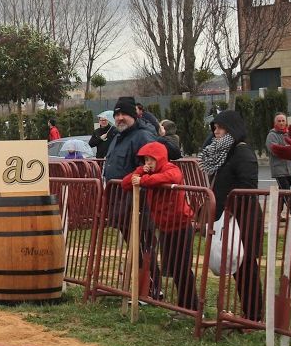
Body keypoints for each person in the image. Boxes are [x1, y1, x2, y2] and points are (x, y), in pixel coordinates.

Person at [199, 110, 263, 322]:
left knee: (246, 268)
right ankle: (249, 314)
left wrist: (230, 208)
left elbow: (248, 187)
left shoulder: (243, 153)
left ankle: (253, 316)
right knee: (237, 268)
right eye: (214, 128)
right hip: (228, 218)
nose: (215, 132)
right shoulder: (226, 151)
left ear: (232, 129)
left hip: (244, 217)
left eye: (219, 127)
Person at [122, 142, 197, 310]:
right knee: (173, 269)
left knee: (182, 268)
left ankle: (191, 306)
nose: (148, 163)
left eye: (151, 159)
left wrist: (144, 180)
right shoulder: (145, 171)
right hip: (164, 228)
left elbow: (171, 178)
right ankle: (184, 306)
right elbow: (126, 183)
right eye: (146, 159)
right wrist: (140, 171)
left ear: (160, 158)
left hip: (181, 225)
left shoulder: (171, 168)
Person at [102, 96, 161, 299]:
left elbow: (152, 168)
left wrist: (140, 187)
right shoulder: (118, 137)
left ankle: (153, 289)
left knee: (145, 246)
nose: (119, 118)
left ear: (134, 115)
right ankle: (140, 288)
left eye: (123, 114)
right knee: (134, 247)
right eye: (116, 114)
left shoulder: (143, 137)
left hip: (140, 204)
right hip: (120, 203)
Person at [265, 113, 291, 221]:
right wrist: (287, 149)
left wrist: (288, 150)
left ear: (286, 122)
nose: (281, 123)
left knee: (283, 192)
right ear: (275, 123)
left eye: (283, 121)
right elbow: (275, 150)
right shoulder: (271, 135)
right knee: (286, 191)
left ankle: (276, 214)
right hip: (279, 169)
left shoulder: (289, 134)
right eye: (279, 121)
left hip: (290, 168)